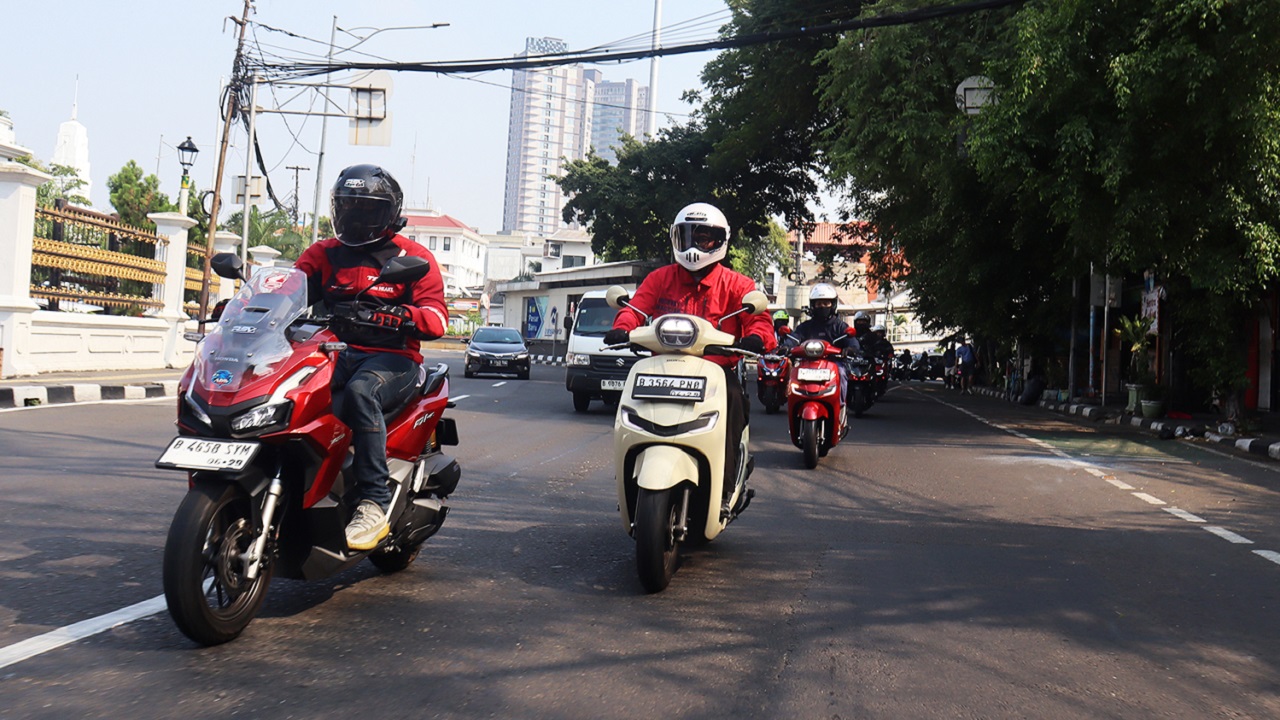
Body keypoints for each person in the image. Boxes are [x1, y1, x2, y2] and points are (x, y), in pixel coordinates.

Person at [295, 164, 450, 551]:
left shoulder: (413, 257)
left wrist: (400, 315)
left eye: (367, 208)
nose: (357, 216)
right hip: (333, 352)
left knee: (362, 393)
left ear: (390, 213)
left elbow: (437, 319)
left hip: (392, 359)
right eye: (349, 206)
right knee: (287, 397)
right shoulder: (324, 253)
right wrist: (250, 306)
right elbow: (289, 290)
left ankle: (373, 505)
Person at [605, 202, 775, 511]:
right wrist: (623, 328)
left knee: (735, 404)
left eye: (704, 237)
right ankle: (630, 479)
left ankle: (724, 488)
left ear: (720, 240)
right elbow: (634, 309)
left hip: (716, 372)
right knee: (629, 409)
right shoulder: (660, 278)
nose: (695, 245)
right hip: (662, 367)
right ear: (675, 238)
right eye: (688, 237)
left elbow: (759, 320)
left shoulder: (738, 285)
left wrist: (756, 338)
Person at [791, 283, 860, 399]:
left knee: (842, 373)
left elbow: (851, 341)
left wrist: (851, 348)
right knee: (793, 374)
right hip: (807, 363)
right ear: (813, 306)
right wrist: (787, 346)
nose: (822, 307)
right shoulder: (805, 326)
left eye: (825, 303)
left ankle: (841, 405)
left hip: (833, 362)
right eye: (818, 304)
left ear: (832, 305)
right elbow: (795, 337)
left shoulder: (840, 326)